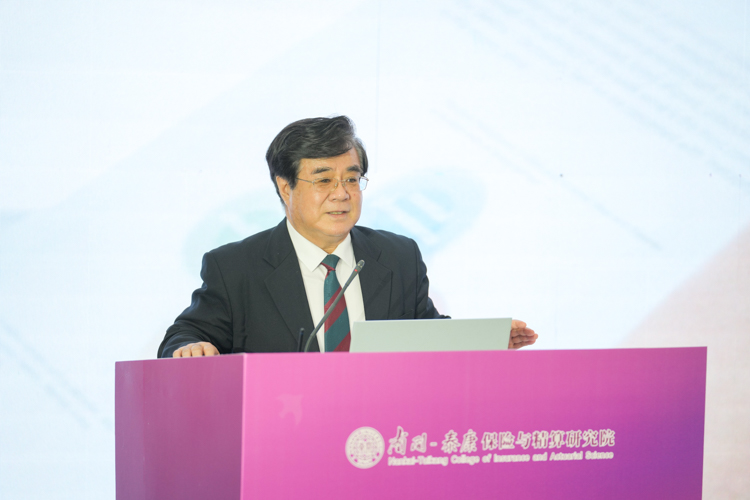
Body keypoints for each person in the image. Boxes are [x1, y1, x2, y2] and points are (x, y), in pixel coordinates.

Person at [158, 116, 537, 357]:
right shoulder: (236, 267)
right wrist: (190, 347)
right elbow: (185, 333)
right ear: (286, 187)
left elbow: (426, 334)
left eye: (352, 179)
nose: (342, 193)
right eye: (324, 180)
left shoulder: (397, 256)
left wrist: (485, 339)